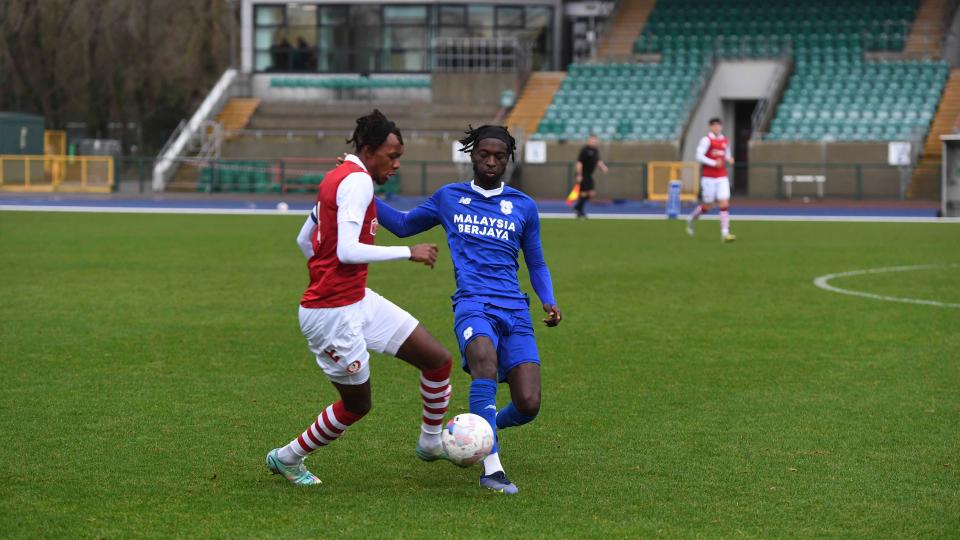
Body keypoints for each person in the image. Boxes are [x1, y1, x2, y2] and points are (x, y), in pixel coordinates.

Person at [266, 110, 454, 486]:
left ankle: (431, 443)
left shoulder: (340, 178)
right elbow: (348, 252)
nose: (397, 164)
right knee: (358, 405)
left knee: (437, 360)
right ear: (368, 150)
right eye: (392, 155)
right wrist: (408, 253)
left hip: (354, 299)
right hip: (332, 314)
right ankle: (288, 457)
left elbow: (305, 240)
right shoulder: (357, 183)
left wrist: (327, 276)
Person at [374, 125, 562, 495]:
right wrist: (363, 190)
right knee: (483, 362)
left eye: (499, 156)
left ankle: (475, 428)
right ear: (472, 156)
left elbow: (536, 263)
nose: (491, 162)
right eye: (483, 155)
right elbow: (401, 225)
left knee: (528, 404)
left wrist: (548, 298)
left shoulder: (524, 205)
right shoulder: (449, 198)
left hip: (516, 311)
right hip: (473, 303)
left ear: (508, 159)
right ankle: (492, 468)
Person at [687, 118, 736, 242]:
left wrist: (729, 159)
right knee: (707, 206)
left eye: (718, 125)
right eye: (714, 125)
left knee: (724, 203)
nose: (716, 127)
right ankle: (692, 218)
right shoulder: (706, 140)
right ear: (710, 127)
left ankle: (725, 233)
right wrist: (714, 162)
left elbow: (726, 155)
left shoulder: (725, 140)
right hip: (708, 177)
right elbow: (698, 156)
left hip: (722, 176)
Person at [573, 134, 608, 218]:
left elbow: (598, 161)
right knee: (584, 193)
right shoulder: (584, 150)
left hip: (589, 175)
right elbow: (579, 163)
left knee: (591, 193)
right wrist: (579, 175)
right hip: (583, 174)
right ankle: (580, 211)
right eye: (592, 140)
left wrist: (603, 167)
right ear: (588, 141)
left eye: (595, 140)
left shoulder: (595, 150)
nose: (594, 142)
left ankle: (577, 207)